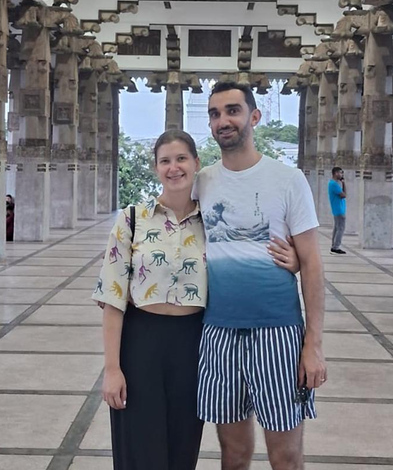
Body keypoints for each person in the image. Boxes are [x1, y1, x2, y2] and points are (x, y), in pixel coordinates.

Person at [92, 130, 299, 470]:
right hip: (140, 341)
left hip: (194, 342)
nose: (174, 168)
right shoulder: (131, 219)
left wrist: (294, 261)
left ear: (196, 164)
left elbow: (251, 250)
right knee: (139, 447)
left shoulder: (214, 222)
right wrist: (112, 369)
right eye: (165, 161)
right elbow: (113, 300)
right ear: (155, 168)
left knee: (181, 448)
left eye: (181, 159)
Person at [195, 82, 327, 470]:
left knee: (285, 456)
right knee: (233, 455)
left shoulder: (287, 180)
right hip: (218, 333)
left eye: (233, 111)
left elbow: (313, 264)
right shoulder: (201, 182)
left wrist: (313, 345)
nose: (224, 121)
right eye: (215, 114)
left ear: (254, 116)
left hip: (279, 333)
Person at [328, 167, 347, 255]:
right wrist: (343, 183)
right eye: (340, 173)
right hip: (339, 209)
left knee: (336, 228)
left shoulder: (332, 183)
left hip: (338, 209)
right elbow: (344, 195)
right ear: (335, 173)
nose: (341, 175)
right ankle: (336, 247)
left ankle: (333, 246)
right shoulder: (334, 184)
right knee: (341, 228)